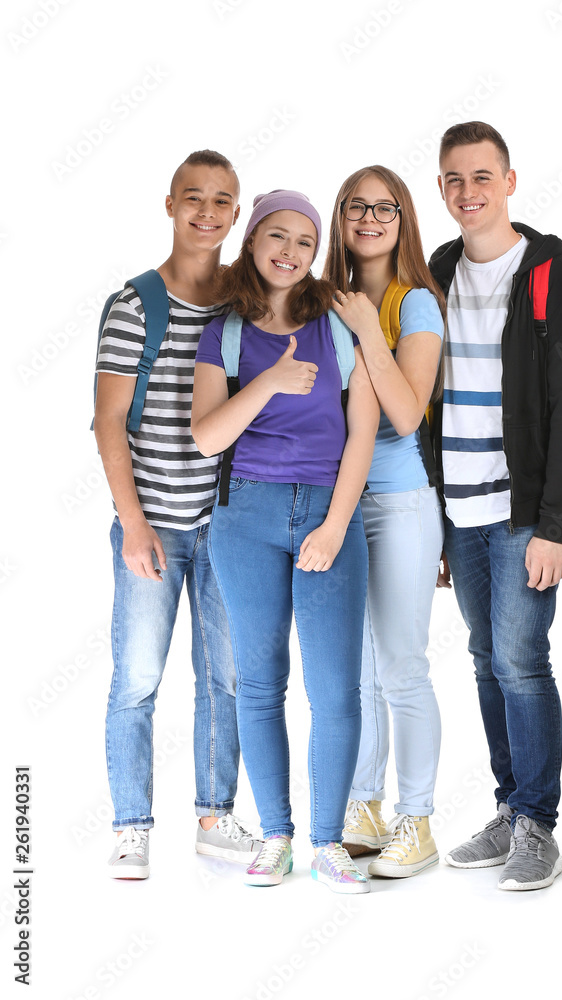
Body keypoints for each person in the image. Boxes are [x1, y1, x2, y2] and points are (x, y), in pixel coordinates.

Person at [191, 190, 379, 894]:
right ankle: (275, 837)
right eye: (277, 235)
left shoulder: (336, 325)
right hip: (246, 517)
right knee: (260, 684)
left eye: (304, 240)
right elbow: (208, 435)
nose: (290, 251)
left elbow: (362, 431)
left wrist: (334, 525)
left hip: (328, 513)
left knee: (334, 689)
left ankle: (328, 842)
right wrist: (267, 381)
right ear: (253, 241)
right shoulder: (227, 334)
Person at [428, 122, 562, 891]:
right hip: (455, 510)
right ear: (441, 188)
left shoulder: (550, 278)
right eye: (454, 180)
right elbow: (424, 402)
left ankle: (537, 825)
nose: (468, 193)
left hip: (521, 510)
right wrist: (431, 521)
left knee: (521, 662)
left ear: (509, 181)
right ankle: (508, 806)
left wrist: (555, 526)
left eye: (481, 177)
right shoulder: (434, 272)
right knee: (482, 659)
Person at [96, 150, 261, 879]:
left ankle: (215, 817)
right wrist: (132, 523)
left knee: (222, 678)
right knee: (137, 679)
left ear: (236, 213)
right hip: (153, 523)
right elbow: (108, 423)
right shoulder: (135, 304)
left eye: (222, 201)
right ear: (170, 204)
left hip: (225, 524)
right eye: (193, 198)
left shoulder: (244, 303)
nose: (206, 212)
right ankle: (131, 827)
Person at [322, 166, 446, 878]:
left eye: (384, 207)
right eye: (355, 207)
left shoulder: (415, 303)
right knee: (360, 672)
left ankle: (417, 819)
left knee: (401, 667)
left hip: (398, 505)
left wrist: (369, 328)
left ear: (403, 219)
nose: (369, 218)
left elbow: (405, 414)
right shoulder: (322, 300)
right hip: (338, 503)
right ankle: (363, 806)